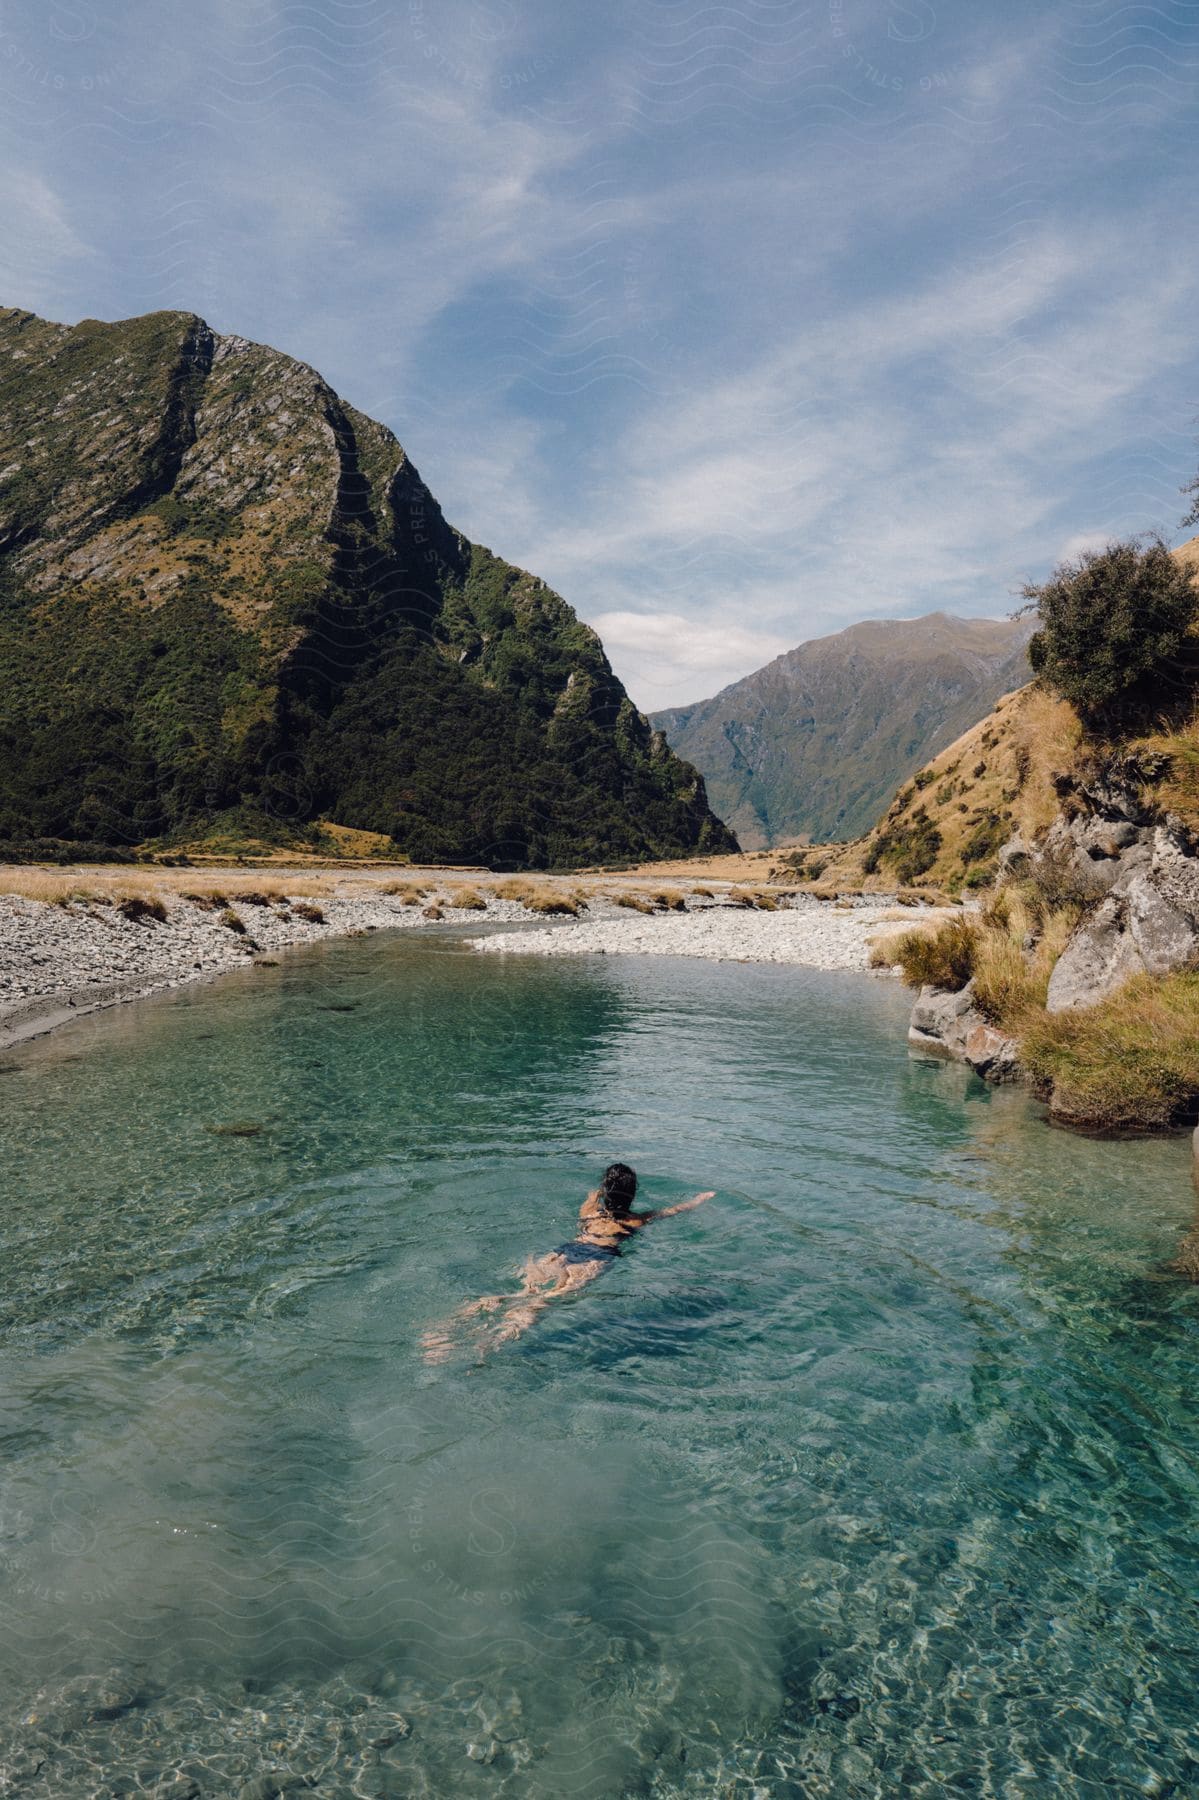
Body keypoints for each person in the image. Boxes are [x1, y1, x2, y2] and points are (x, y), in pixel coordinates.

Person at [421, 1163, 715, 1361]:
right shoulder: (638, 1220)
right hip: (597, 1258)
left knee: (522, 1294)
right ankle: (485, 1350)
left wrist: (599, 1190)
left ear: (603, 1192)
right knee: (541, 1305)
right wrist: (701, 1199)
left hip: (565, 1251)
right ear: (633, 1195)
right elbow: (675, 1210)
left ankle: (447, 1329)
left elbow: (593, 1195)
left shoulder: (589, 1210)